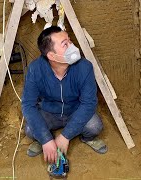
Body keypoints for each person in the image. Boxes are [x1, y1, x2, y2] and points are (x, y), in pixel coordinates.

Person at [21, 26, 107, 164]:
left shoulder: (85, 67)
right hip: (49, 113)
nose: (72, 46)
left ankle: (86, 138)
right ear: (51, 56)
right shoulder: (35, 69)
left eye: (70, 41)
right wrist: (45, 139)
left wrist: (65, 136)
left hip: (74, 111)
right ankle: (45, 141)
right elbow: (28, 105)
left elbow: (89, 103)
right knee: (31, 130)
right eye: (65, 44)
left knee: (94, 126)